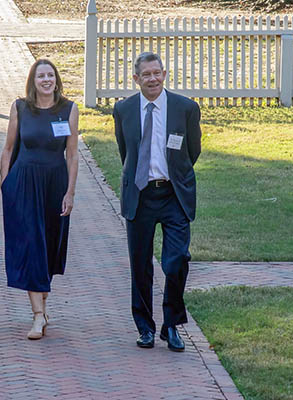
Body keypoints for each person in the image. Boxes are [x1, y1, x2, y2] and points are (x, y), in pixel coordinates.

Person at [113, 52, 201, 352]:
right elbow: (126, 152)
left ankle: (171, 325)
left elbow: (193, 150)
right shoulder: (124, 109)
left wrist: (174, 176)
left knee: (176, 261)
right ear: (136, 79)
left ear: (164, 74)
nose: (152, 79)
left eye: (157, 73)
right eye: (146, 75)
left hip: (174, 194)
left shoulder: (185, 108)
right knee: (140, 265)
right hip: (140, 193)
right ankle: (145, 328)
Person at [0, 59, 79, 340]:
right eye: (40, 76)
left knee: (48, 245)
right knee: (31, 243)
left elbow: (71, 154)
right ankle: (36, 316)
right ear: (33, 81)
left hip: (54, 184)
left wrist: (70, 192)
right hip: (23, 183)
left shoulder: (69, 109)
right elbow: (8, 149)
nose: (46, 80)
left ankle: (43, 308)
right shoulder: (21, 108)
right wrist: (5, 185)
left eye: (50, 75)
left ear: (57, 80)